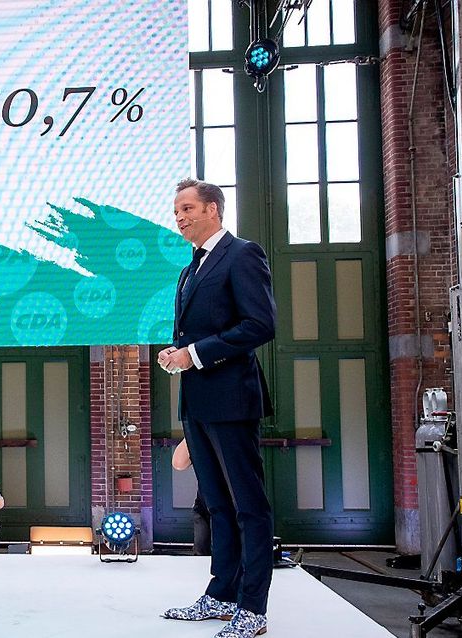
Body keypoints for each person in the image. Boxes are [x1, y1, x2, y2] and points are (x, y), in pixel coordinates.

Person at [158, 179, 276, 638]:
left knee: (249, 504)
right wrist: (177, 353)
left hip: (232, 397)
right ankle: (221, 593)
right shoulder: (190, 268)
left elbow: (260, 324)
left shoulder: (243, 254)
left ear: (213, 209)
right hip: (198, 400)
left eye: (187, 208)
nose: (180, 217)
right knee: (217, 505)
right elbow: (194, 330)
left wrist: (198, 353)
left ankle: (253, 606)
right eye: (176, 211)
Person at [172, 438, 211, 556]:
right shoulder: (202, 436)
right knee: (202, 557)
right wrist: (192, 427)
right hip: (206, 507)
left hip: (234, 509)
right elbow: (179, 463)